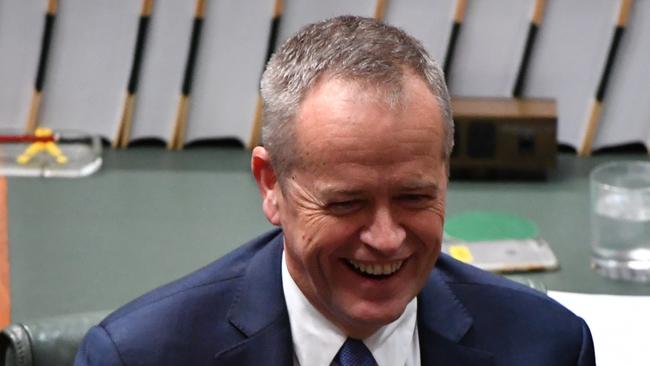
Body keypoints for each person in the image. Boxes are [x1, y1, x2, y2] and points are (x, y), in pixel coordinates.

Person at [75, 16, 595, 366]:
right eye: (347, 203)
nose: (388, 239)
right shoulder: (139, 355)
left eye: (415, 197)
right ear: (271, 184)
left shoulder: (547, 348)